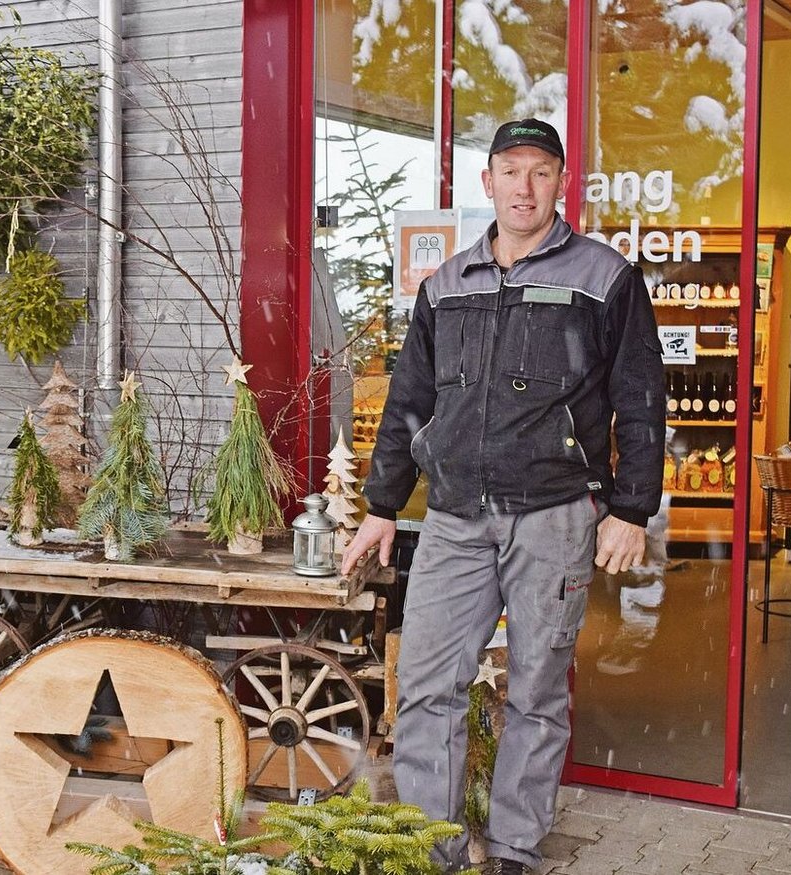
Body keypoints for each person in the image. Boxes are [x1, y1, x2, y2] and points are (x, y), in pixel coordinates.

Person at [340, 119, 664, 874]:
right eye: (510, 170)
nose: (525, 186)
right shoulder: (447, 284)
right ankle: (431, 846)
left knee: (538, 690)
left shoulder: (604, 277)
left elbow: (641, 398)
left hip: (553, 515)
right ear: (485, 183)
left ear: (560, 182)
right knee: (425, 685)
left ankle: (515, 848)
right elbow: (409, 403)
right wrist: (383, 506)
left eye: (540, 171)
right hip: (454, 517)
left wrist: (629, 508)